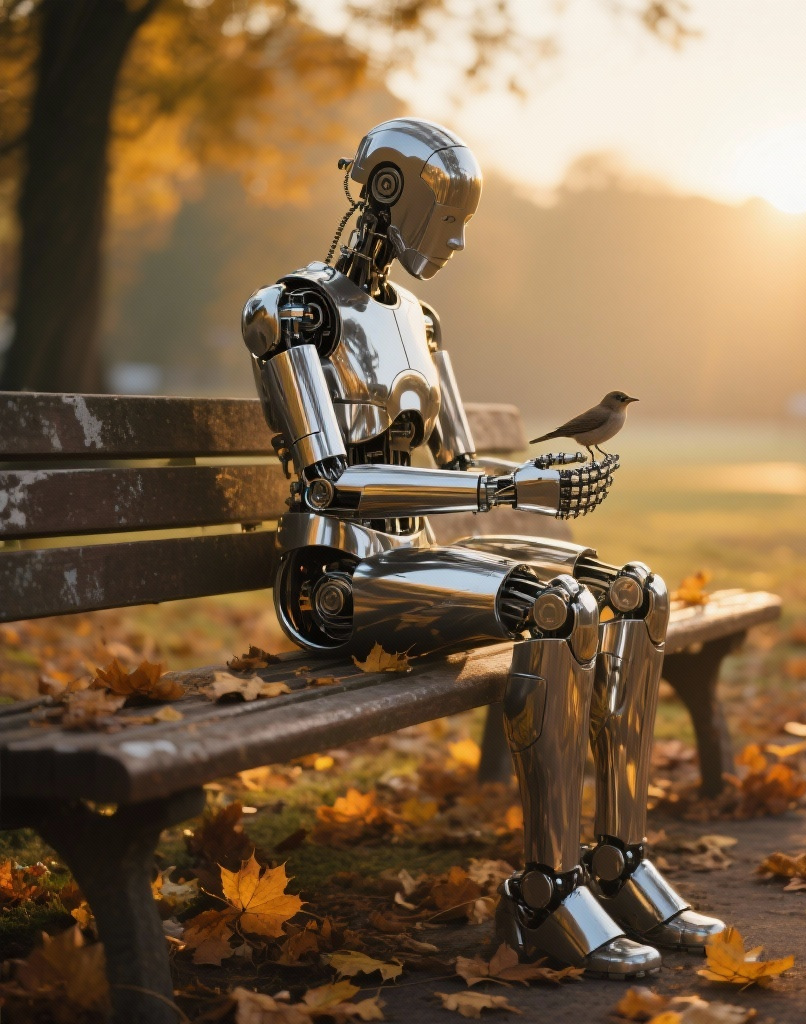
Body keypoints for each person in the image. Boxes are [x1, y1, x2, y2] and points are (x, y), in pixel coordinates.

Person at [241, 118, 724, 977]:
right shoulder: (292, 312)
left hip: (412, 557)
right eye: (448, 218)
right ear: (388, 193)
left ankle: (620, 861)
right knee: (557, 607)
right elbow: (328, 485)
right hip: (338, 582)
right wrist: (508, 493)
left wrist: (538, 477)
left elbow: (461, 467)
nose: (459, 241)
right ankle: (545, 892)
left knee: (637, 591)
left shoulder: (420, 321)